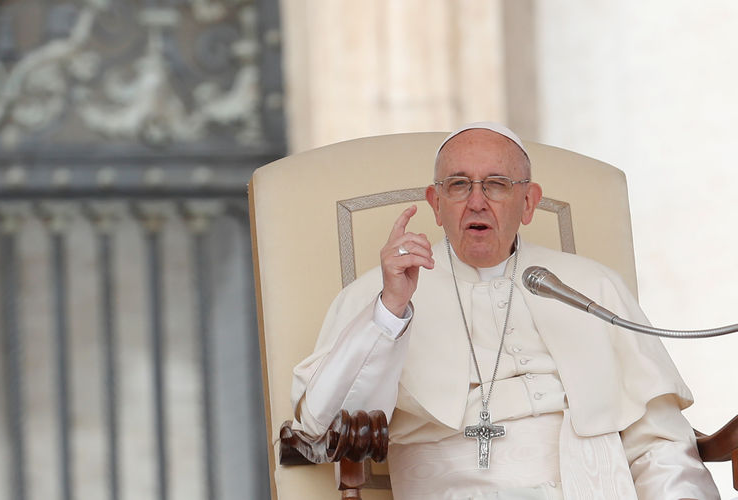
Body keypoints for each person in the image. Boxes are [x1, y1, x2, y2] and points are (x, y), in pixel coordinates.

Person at [290, 122, 718, 499]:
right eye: (458, 185)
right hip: (451, 489)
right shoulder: (381, 292)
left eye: (496, 184)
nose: (477, 201)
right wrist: (391, 309)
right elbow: (319, 423)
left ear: (529, 203)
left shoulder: (593, 287)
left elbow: (658, 440)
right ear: (435, 204)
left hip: (591, 481)